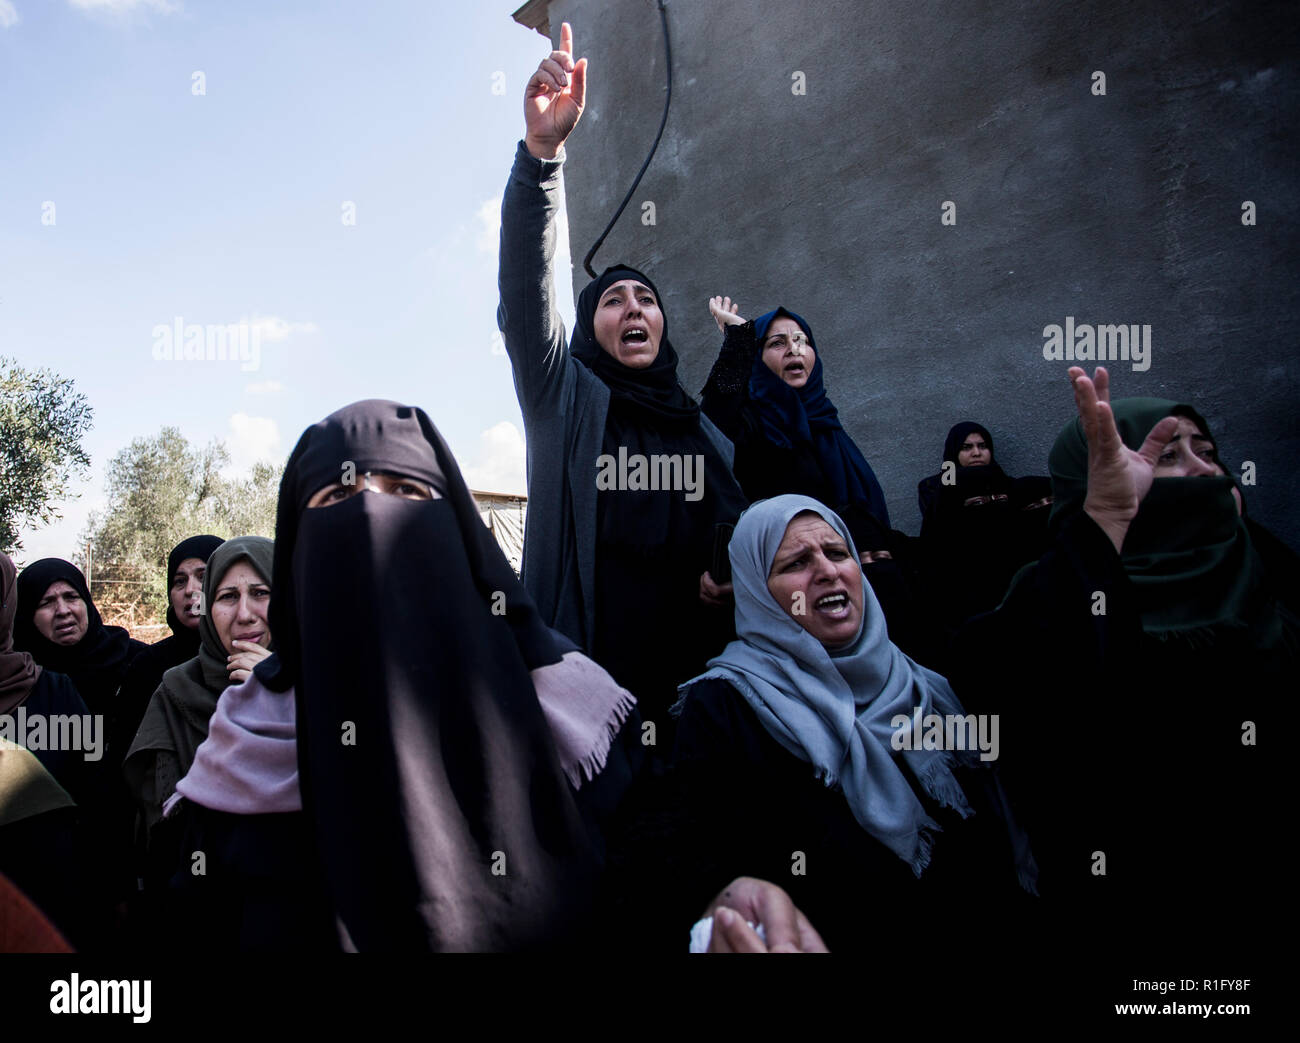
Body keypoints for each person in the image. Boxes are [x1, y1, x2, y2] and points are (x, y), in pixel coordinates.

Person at [951, 367, 1294, 946]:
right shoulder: (1053, 600)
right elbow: (1004, 671)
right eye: (1166, 457)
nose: (1204, 469)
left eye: (1207, 451)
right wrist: (1106, 521)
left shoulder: (1267, 573)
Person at [498, 23, 747, 744]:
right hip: (588, 708)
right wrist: (542, 158)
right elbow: (525, 292)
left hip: (704, 699)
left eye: (645, 299)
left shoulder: (698, 428)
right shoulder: (566, 399)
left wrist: (730, 566)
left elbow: (741, 522)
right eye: (612, 300)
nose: (633, 308)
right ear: (588, 329)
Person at [673, 495, 1036, 951]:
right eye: (797, 562)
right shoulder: (723, 707)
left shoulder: (925, 680)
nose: (827, 571)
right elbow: (706, 863)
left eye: (838, 552)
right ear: (756, 592)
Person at [123, 536, 274, 843]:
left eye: (260, 593)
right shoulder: (174, 692)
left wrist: (276, 695)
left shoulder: (322, 682)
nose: (244, 614)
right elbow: (165, 828)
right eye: (228, 596)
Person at [703, 297, 891, 534]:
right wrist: (740, 340)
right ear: (757, 356)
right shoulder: (750, 422)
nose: (794, 349)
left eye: (801, 340)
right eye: (777, 343)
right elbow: (710, 429)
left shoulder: (826, 421)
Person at [916, 421, 1051, 631]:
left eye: (982, 446)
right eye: (966, 447)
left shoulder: (1008, 484)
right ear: (954, 451)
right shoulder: (934, 489)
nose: (976, 453)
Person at [112, 535, 224, 765]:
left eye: (203, 577)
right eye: (179, 581)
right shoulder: (147, 666)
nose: (190, 590)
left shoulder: (255, 657)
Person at [14, 558, 145, 714]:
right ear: (27, 616)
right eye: (46, 602)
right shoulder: (18, 677)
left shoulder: (138, 660)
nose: (63, 611)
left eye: (71, 597)